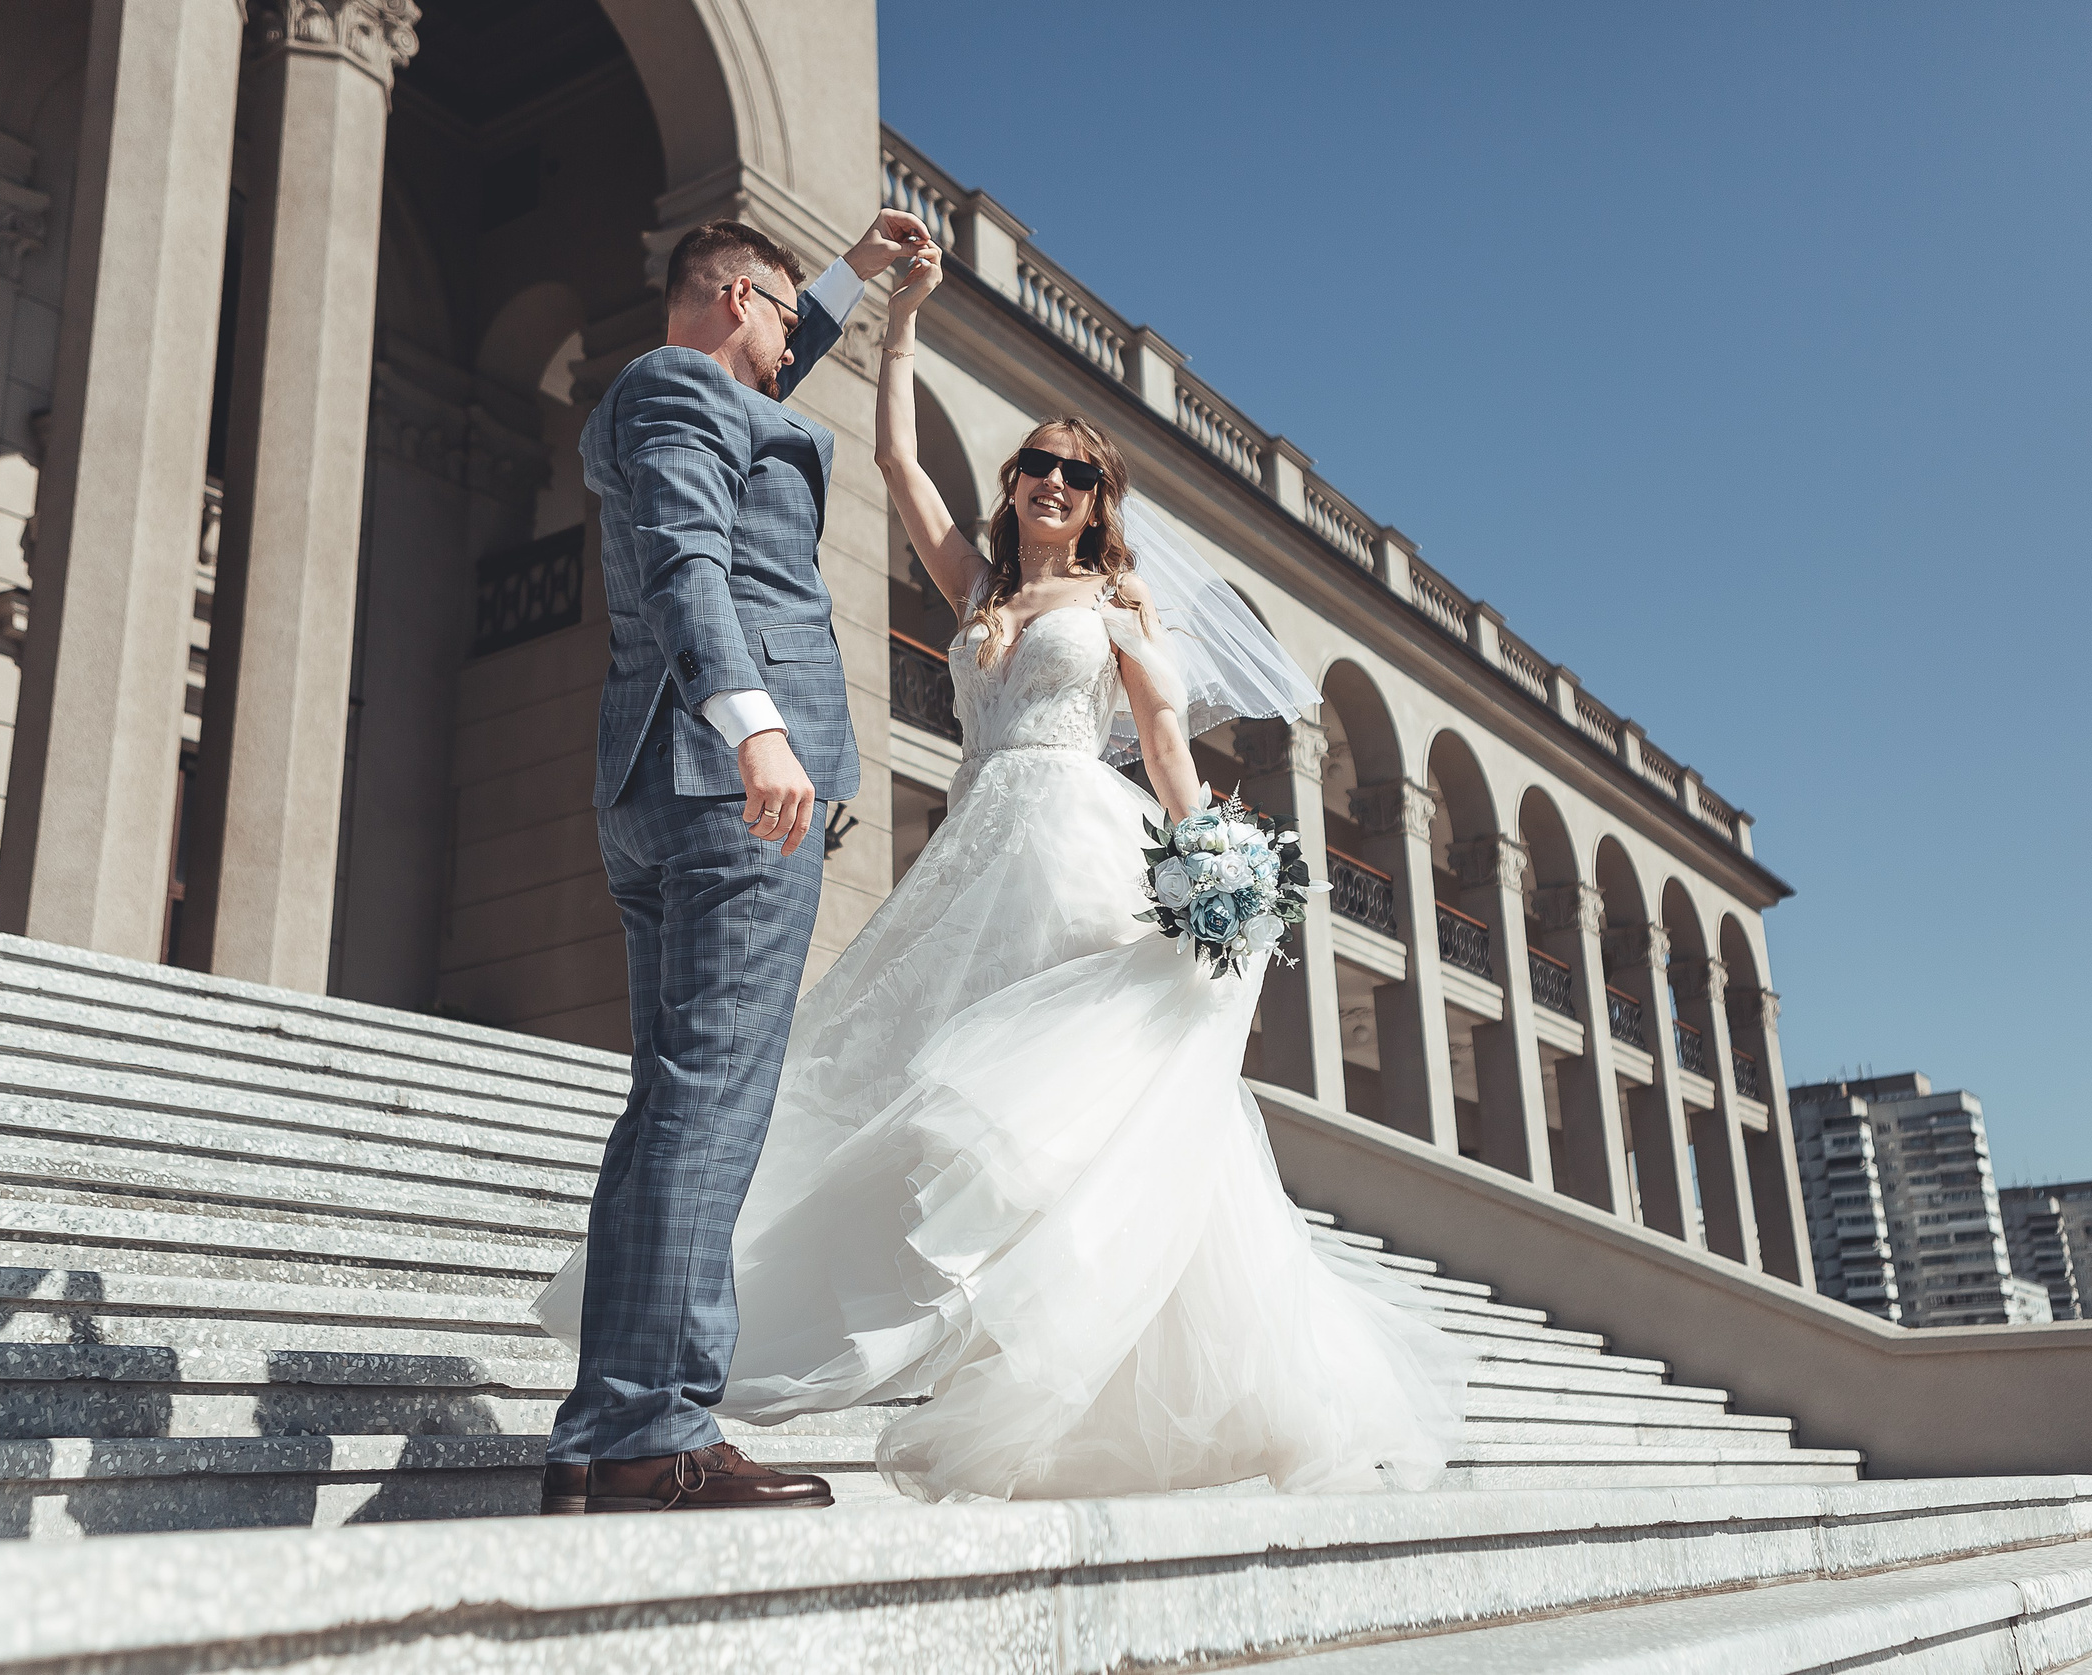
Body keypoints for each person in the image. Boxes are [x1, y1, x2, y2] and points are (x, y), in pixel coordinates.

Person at [540, 239, 1470, 1504]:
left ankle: (688, 1408)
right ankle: (654, 1414)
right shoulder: (973, 588)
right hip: (965, 845)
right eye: (1030, 461)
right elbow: (888, 462)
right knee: (860, 1096)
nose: (1045, 477)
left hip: (1074, 846)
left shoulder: (1124, 611)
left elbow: (1164, 757)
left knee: (1066, 1110)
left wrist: (1215, 873)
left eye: (1071, 471)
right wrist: (898, 316)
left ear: (1098, 501)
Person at [541, 208, 933, 1517]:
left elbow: (761, 370)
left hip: (670, 781)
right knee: (711, 1102)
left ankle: (615, 1432)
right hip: (728, 783)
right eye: (778, 316)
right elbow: (685, 561)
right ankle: (659, 1429)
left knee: (677, 1099)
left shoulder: (695, 387)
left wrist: (853, 275)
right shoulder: (676, 386)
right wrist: (757, 723)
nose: (790, 347)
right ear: (733, 298)